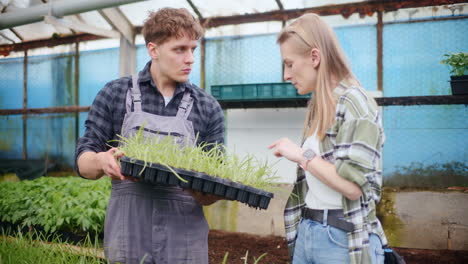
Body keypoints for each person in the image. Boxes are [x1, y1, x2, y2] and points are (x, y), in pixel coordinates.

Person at [74, 8, 225, 264]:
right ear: (153, 50)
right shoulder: (115, 94)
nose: (190, 59)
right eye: (179, 49)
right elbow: (83, 162)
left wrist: (208, 188)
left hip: (184, 232)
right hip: (129, 229)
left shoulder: (207, 107)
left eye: (193, 50)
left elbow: (214, 186)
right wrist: (101, 161)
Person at [268, 13, 388, 264]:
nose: (286, 75)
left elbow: (353, 188)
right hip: (309, 232)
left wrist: (301, 155)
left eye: (289, 64)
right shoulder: (318, 105)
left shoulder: (354, 103)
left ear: (314, 57)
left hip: (342, 240)